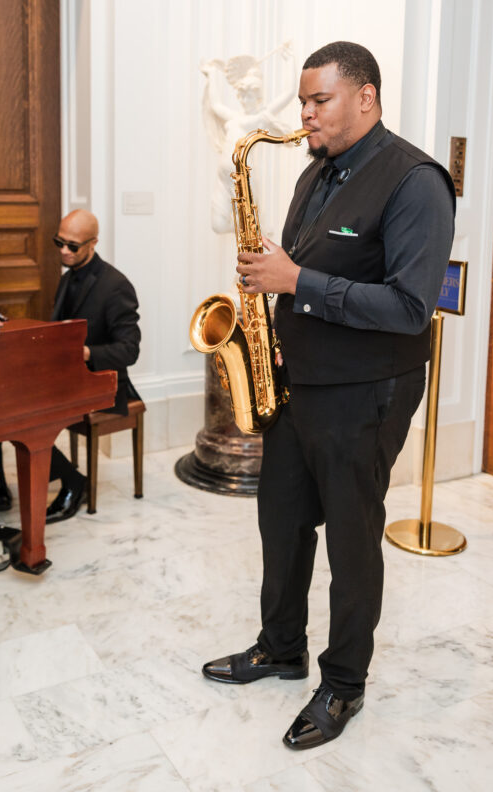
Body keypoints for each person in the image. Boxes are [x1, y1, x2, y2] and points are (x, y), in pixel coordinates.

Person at [201, 41, 455, 750]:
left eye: (319, 100)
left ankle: (343, 684)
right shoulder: (315, 171)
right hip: (298, 384)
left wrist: (295, 283)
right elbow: (302, 265)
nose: (304, 114)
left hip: (367, 393)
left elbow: (409, 308)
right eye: (303, 100)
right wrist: (269, 286)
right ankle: (279, 647)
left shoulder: (416, 182)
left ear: (365, 98)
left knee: (349, 540)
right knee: (280, 522)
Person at [0, 209, 141, 523]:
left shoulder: (115, 286)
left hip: (101, 383)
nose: (64, 251)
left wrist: (83, 353)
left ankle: (71, 480)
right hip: (64, 376)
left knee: (16, 412)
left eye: (73, 246)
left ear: (93, 243)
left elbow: (129, 350)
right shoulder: (68, 277)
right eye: (60, 242)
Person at [201, 41, 297, 233]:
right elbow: (216, 105)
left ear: (258, 97)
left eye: (249, 95)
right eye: (241, 95)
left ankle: (255, 230)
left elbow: (288, 93)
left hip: (242, 177)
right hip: (223, 178)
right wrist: (211, 75)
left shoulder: (260, 118)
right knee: (218, 226)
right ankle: (253, 228)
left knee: (248, 229)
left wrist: (289, 62)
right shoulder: (235, 117)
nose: (244, 99)